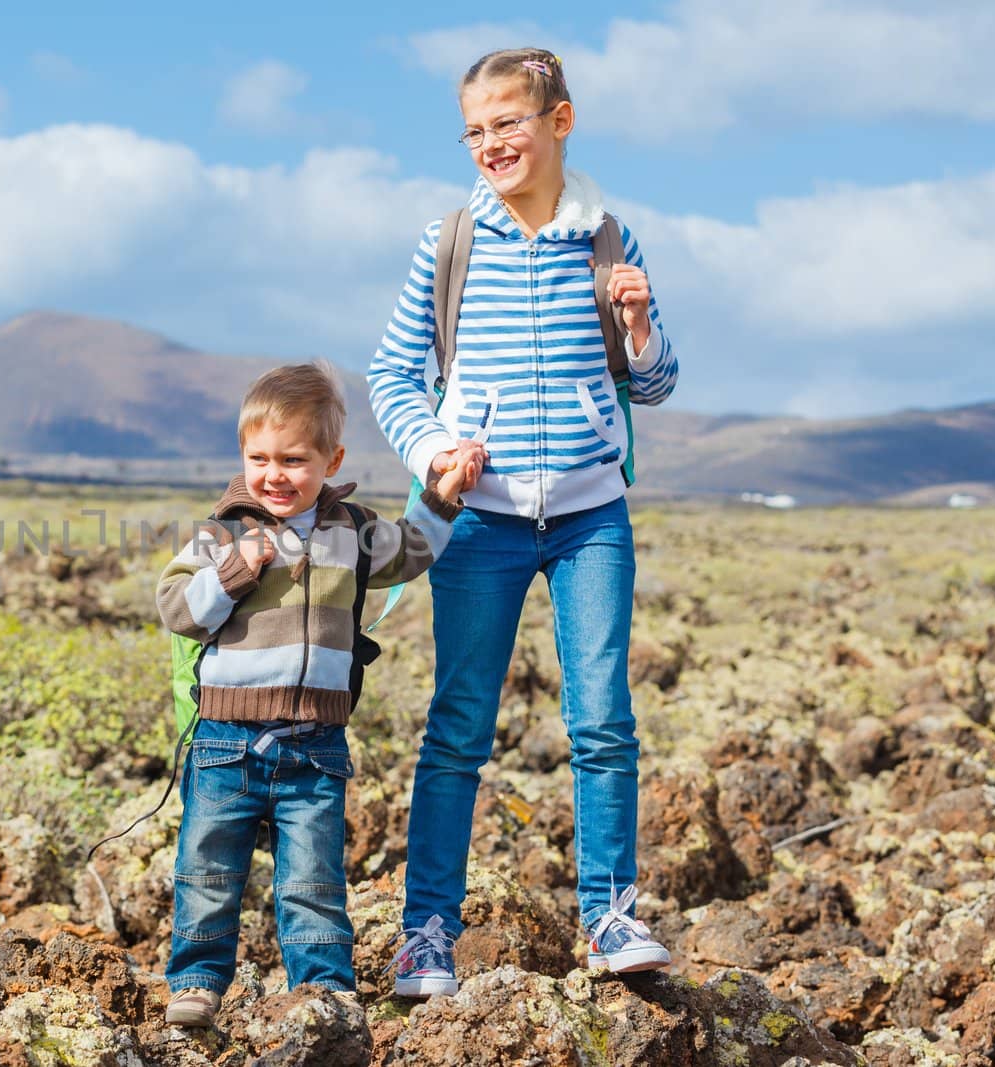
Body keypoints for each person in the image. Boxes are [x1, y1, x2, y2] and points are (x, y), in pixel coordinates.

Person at [367, 47, 681, 997]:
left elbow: (658, 383)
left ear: (559, 121)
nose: (492, 142)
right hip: (482, 526)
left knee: (604, 723)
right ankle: (426, 935)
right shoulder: (451, 241)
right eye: (475, 128)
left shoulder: (611, 239)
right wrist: (432, 455)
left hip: (592, 518)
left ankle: (611, 917)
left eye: (509, 121)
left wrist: (639, 326)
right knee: (457, 728)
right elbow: (392, 376)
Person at [155, 361, 484, 1026]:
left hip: (317, 746)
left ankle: (325, 988)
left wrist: (444, 495)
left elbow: (411, 551)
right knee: (208, 868)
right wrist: (233, 572)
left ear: (331, 459)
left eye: (294, 459)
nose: (273, 474)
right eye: (259, 458)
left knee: (313, 879)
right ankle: (196, 977)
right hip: (225, 740)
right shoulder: (224, 531)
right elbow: (176, 606)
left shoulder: (354, 530)